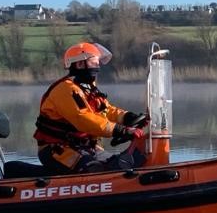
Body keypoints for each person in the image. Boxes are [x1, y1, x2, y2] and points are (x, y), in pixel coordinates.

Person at [33, 42, 148, 175]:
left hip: (87, 147)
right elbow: (83, 118)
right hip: (58, 150)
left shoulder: (87, 89)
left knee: (121, 165)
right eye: (94, 62)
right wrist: (120, 130)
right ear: (80, 64)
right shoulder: (66, 89)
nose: (98, 66)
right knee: (95, 170)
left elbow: (106, 110)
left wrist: (128, 117)